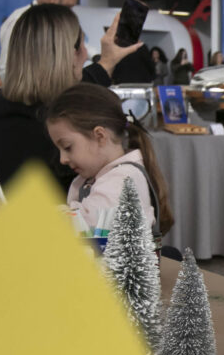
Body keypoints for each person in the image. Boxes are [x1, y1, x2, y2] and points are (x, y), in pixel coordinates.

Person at [0, 4, 141, 191]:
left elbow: (74, 83)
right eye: (82, 45)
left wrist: (107, 62)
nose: (85, 55)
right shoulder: (62, 115)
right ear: (67, 54)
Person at [45, 83, 173, 238]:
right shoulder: (98, 176)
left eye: (68, 147)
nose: (62, 159)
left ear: (100, 136)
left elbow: (87, 227)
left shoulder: (122, 181)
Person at [0, 0, 79, 80]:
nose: (70, 12)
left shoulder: (53, 22)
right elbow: (5, 69)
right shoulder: (19, 20)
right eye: (68, 6)